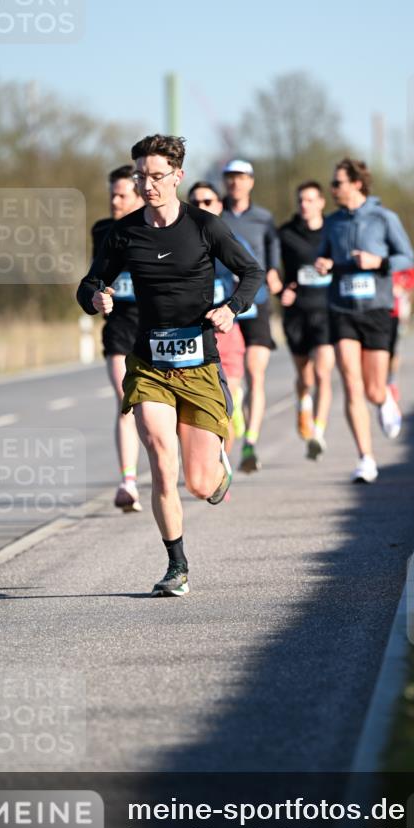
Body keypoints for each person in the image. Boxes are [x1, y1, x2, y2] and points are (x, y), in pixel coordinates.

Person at [77, 135, 263, 597]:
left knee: (199, 484)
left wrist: (231, 307)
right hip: (149, 363)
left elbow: (252, 272)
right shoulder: (124, 232)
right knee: (161, 460)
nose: (147, 185)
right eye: (140, 176)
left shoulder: (205, 226)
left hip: (199, 362)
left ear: (177, 176)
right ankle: (176, 566)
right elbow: (89, 282)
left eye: (156, 176)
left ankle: (218, 465)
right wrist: (95, 297)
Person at [314, 158, 414, 483]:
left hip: (376, 310)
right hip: (341, 308)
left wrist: (378, 262)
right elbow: (323, 254)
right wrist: (323, 263)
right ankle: (366, 459)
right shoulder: (332, 223)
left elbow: (407, 258)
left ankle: (384, 400)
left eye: (337, 183)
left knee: (372, 388)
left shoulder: (384, 218)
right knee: (350, 382)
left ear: (357, 184)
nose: (332, 189)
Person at [221, 159, 281, 474]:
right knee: (232, 380)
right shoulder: (215, 216)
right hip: (224, 305)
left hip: (256, 303)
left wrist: (274, 273)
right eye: (230, 177)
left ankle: (251, 443)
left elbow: (273, 255)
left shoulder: (264, 219)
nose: (235, 183)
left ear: (251, 181)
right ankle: (236, 414)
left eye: (241, 177)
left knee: (256, 372)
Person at [91, 166, 144, 512]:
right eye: (112, 194)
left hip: (154, 326)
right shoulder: (101, 230)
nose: (115, 201)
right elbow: (94, 275)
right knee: (126, 400)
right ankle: (128, 482)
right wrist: (99, 293)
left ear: (138, 197)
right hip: (120, 326)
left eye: (122, 195)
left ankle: (172, 463)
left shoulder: (153, 229)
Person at [187, 180, 246, 458]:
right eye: (195, 203)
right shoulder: (178, 244)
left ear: (220, 206)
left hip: (226, 334)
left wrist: (233, 307)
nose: (201, 207)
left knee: (223, 403)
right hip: (191, 337)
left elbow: (254, 280)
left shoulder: (230, 242)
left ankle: (221, 467)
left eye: (207, 202)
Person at [277, 181, 335, 461]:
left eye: (311, 200)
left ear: (321, 202)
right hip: (297, 313)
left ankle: (318, 433)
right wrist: (280, 291)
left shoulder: (333, 230)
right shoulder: (286, 234)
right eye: (301, 200)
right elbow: (269, 267)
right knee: (306, 376)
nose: (305, 205)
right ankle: (303, 402)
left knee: (323, 373)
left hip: (326, 312)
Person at [388, 264, 414, 400]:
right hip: (380, 314)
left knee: (395, 349)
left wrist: (407, 304)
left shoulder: (407, 264)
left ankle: (392, 382)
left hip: (399, 314)